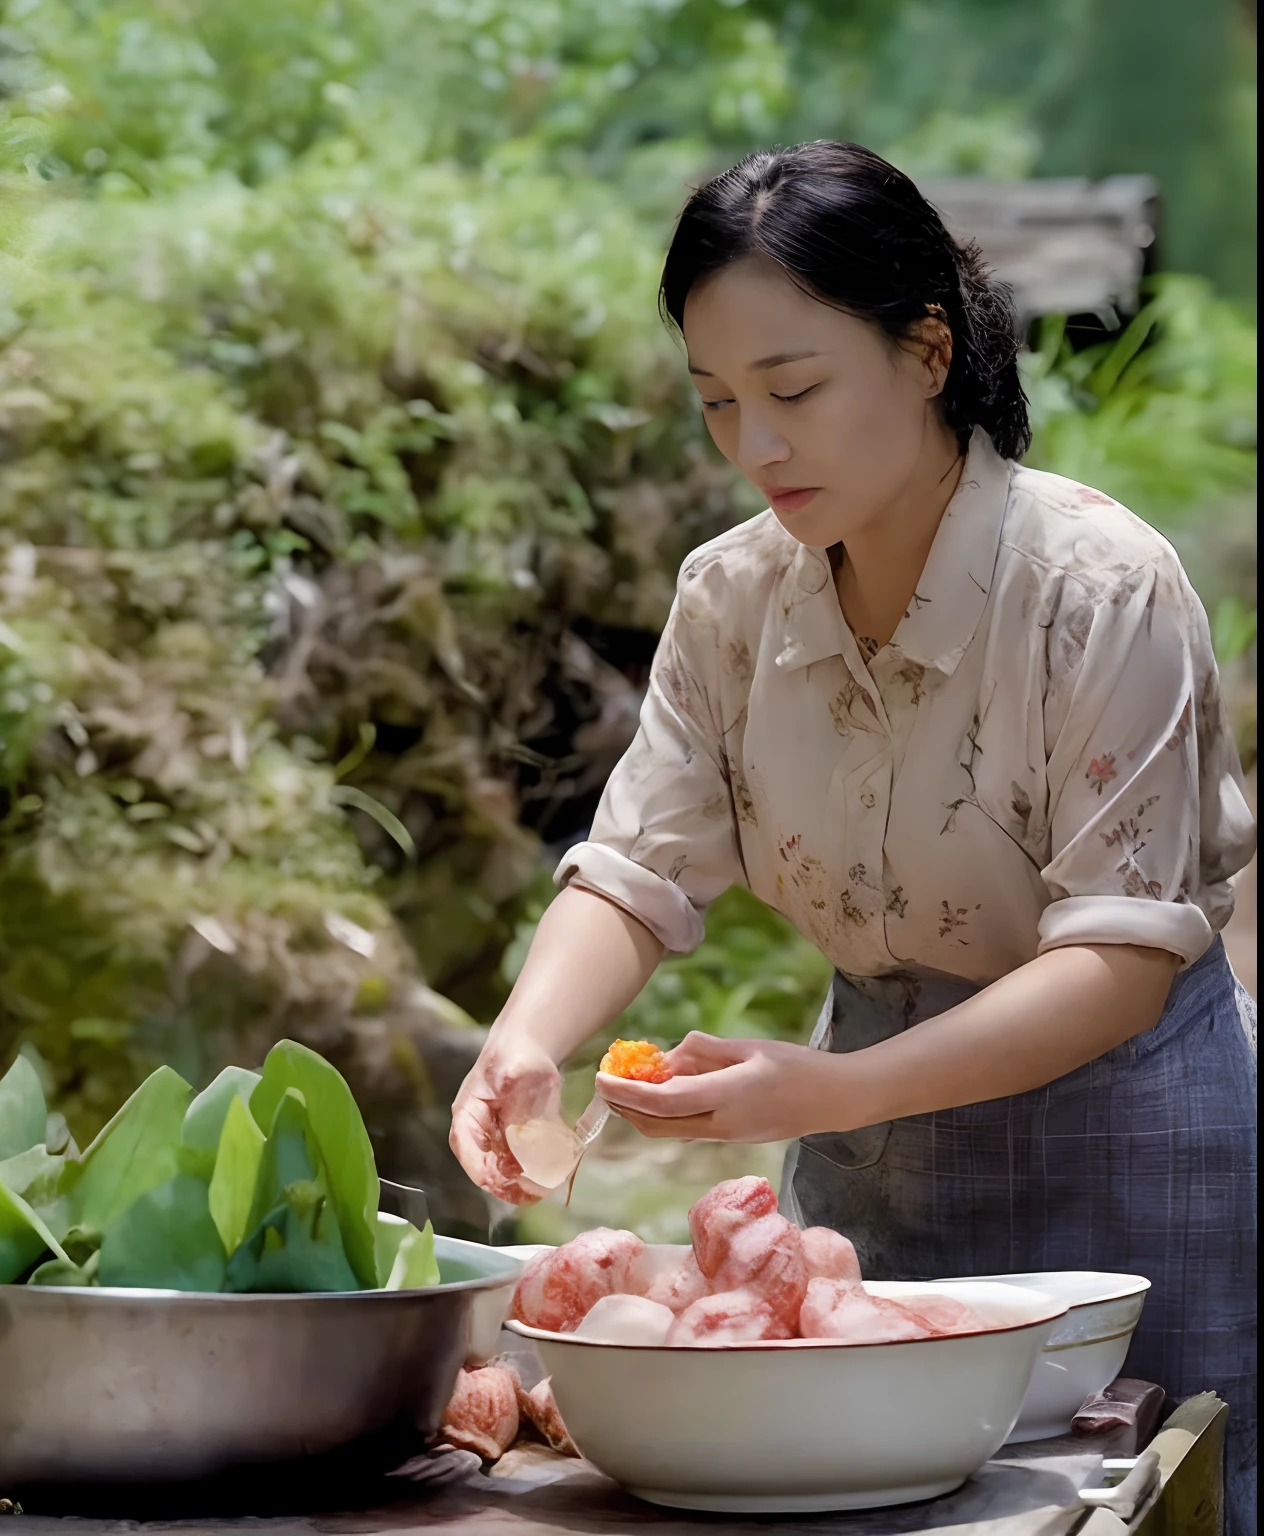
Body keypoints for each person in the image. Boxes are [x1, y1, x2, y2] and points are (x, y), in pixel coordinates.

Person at [449, 142, 1257, 1532]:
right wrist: (527, 1037)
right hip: (870, 1169)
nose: (756, 447)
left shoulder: (1101, 588)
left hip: (1129, 1141)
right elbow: (641, 865)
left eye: (796, 391)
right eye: (716, 403)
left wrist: (822, 1089)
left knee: (1142, 1502)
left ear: (928, 350)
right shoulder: (731, 599)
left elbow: (1122, 961)